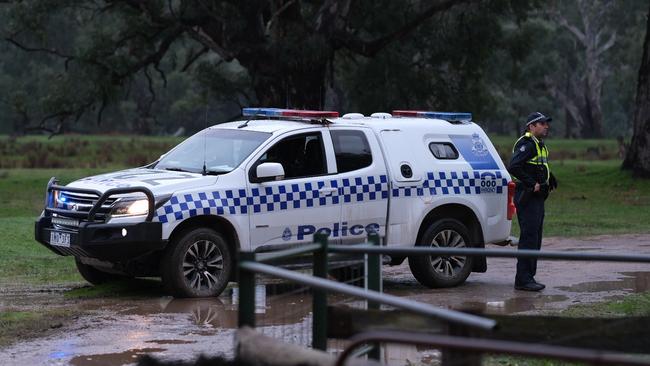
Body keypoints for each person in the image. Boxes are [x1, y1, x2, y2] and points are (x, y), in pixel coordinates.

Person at [508, 112, 558, 291]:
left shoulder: (539, 145)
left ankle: (529, 277)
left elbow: (536, 166)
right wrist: (532, 184)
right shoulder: (526, 144)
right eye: (542, 123)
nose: (546, 126)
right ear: (531, 126)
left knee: (535, 238)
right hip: (527, 197)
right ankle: (522, 280)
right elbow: (514, 167)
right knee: (529, 238)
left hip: (537, 198)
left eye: (546, 123)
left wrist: (548, 177)